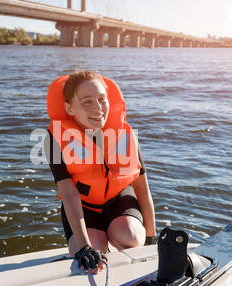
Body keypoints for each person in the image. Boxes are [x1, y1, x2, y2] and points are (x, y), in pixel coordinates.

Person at [45, 70, 157, 275]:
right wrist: (84, 247)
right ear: (69, 108)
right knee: (94, 249)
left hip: (119, 199)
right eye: (87, 102)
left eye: (101, 99)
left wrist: (151, 240)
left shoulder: (125, 135)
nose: (98, 108)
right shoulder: (54, 140)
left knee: (130, 235)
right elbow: (69, 194)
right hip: (83, 205)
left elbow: (142, 190)